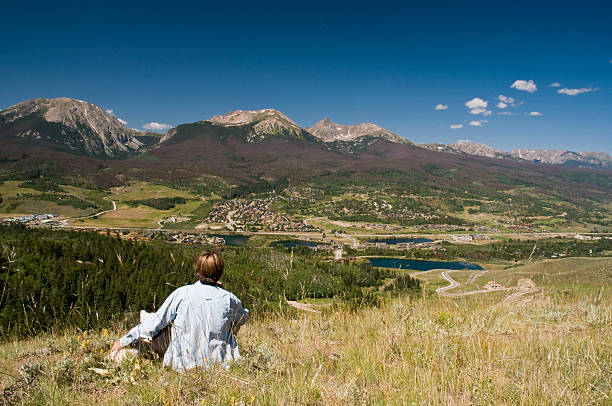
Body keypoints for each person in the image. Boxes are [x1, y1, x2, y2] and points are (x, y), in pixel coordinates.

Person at [110, 251, 249, 371]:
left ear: (198, 271)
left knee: (158, 320)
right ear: (220, 272)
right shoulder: (228, 298)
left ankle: (143, 330)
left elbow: (154, 324)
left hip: (181, 364)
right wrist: (222, 293)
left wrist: (122, 341)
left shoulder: (183, 293)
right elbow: (243, 317)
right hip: (218, 365)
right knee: (232, 320)